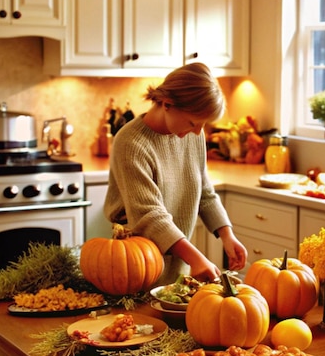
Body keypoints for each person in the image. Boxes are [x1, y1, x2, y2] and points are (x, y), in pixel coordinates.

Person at [104, 62, 248, 284]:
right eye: (193, 122)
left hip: (178, 262)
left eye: (203, 124)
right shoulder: (130, 143)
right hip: (136, 268)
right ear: (167, 104)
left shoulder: (192, 134)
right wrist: (196, 258)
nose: (198, 132)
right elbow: (149, 215)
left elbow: (204, 192)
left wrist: (227, 235)